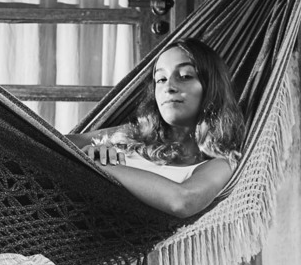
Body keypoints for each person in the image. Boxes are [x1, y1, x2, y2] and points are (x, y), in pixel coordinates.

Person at [67, 37, 245, 218]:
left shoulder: (219, 164)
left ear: (211, 88)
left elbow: (183, 202)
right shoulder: (131, 134)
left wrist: (102, 166)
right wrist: (89, 153)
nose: (169, 87)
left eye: (185, 76)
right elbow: (53, 146)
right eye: (161, 79)